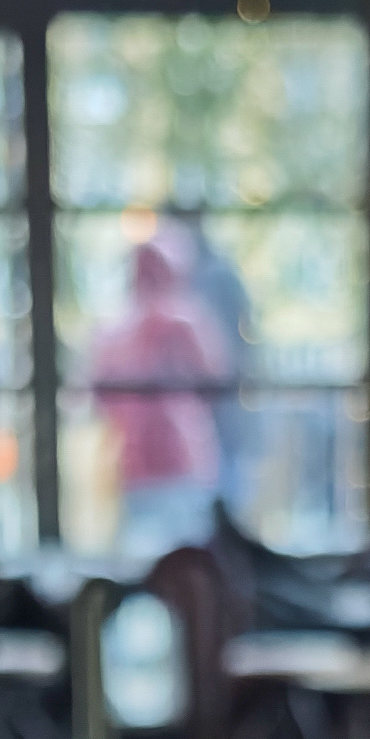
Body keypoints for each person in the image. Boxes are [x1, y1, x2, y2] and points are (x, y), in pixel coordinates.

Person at [87, 228, 232, 558]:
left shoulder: (185, 324)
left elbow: (214, 380)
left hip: (183, 466)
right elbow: (97, 396)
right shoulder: (114, 332)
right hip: (136, 470)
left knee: (192, 560)